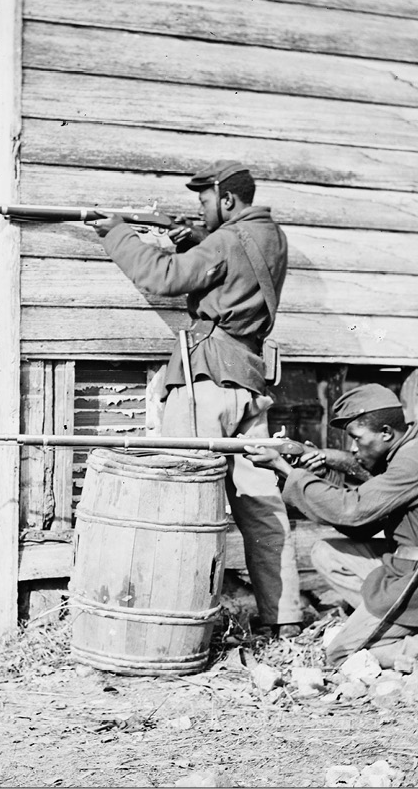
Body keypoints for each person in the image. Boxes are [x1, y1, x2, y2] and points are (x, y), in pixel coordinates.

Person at [88, 160, 303, 637]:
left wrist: (119, 234)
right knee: (261, 504)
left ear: (227, 200)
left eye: (206, 201)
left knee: (181, 501)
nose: (201, 210)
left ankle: (173, 623)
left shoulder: (224, 241)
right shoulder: (270, 236)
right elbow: (233, 275)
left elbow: (161, 278)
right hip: (249, 385)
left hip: (206, 384)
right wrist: (197, 242)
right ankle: (284, 618)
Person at [251, 384, 418, 667]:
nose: (352, 448)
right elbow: (361, 525)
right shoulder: (407, 453)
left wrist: (287, 471)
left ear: (386, 433)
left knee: (339, 654)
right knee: (326, 552)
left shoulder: (411, 463)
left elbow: (352, 511)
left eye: (357, 439)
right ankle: (410, 621)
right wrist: (322, 469)